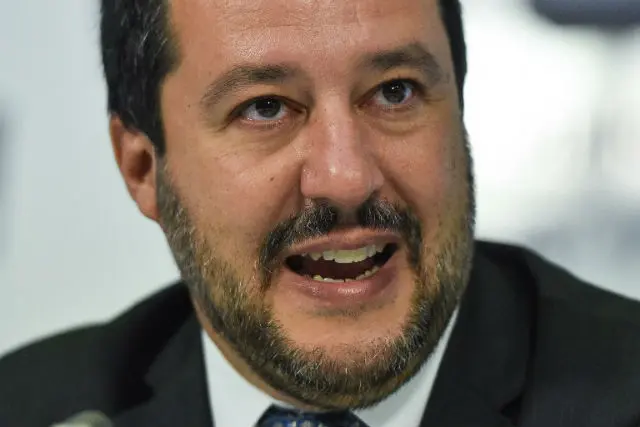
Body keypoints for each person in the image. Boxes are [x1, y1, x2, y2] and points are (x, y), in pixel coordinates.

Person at [1, 0, 639, 426]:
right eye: (265, 108)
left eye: (395, 92)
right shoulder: (31, 407)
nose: (346, 177)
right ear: (143, 169)